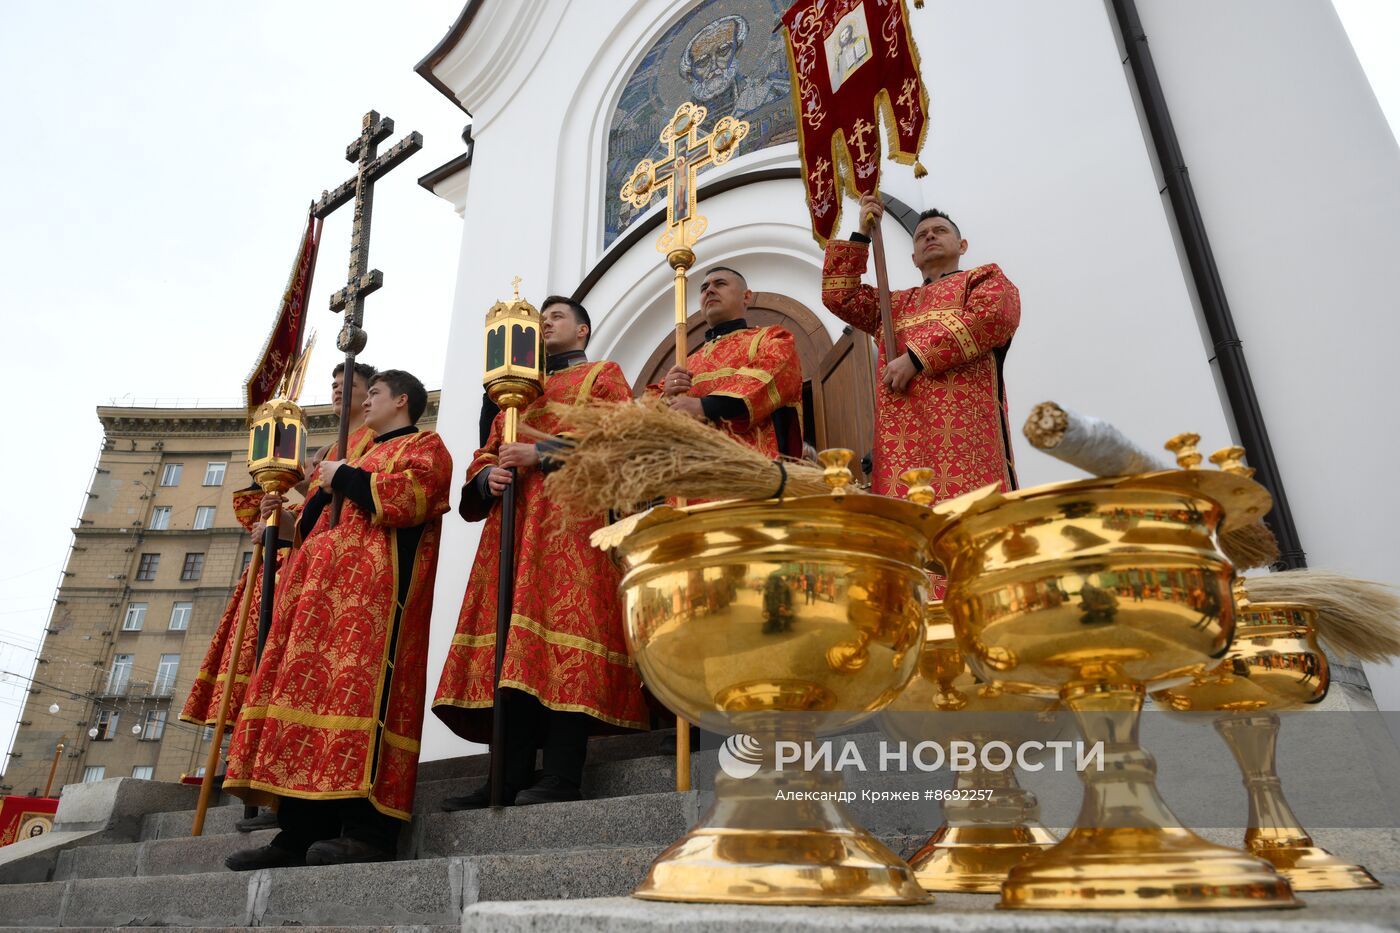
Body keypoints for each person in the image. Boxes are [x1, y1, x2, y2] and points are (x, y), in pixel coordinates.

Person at [223, 370, 452, 869]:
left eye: (374, 393)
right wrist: (280, 522)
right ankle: (298, 834)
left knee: (364, 703)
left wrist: (341, 476)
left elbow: (412, 500)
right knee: (307, 702)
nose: (365, 401)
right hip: (321, 605)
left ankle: (369, 832)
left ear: (402, 400)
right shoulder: (354, 458)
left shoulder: (425, 444)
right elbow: (312, 530)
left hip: (375, 603)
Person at [434, 297, 649, 809]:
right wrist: (489, 476)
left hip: (570, 528)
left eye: (556, 316)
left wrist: (541, 453)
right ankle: (504, 776)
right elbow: (484, 453)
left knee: (563, 643)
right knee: (513, 649)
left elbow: (619, 441)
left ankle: (560, 775)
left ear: (582, 330)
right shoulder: (517, 396)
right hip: (511, 529)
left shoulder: (601, 374)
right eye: (541, 318)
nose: (545, 323)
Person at [181, 361, 376, 834]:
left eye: (346, 384)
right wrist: (277, 523)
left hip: (344, 585)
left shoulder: (372, 444)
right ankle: (268, 785)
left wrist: (311, 489)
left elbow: (352, 510)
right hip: (304, 577)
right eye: (331, 384)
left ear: (373, 396)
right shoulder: (329, 448)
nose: (336, 390)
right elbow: (311, 528)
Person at [822, 194, 1020, 501]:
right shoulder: (894, 305)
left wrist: (915, 358)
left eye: (940, 231)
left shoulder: (982, 279)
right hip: (902, 445)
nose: (929, 235)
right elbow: (839, 296)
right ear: (913, 258)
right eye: (920, 235)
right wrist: (862, 233)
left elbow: (991, 318)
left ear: (962, 245)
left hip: (965, 443)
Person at [656, 266, 804, 459]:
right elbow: (643, 413)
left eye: (720, 284)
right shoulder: (686, 362)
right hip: (688, 468)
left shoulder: (770, 338)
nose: (709, 290)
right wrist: (666, 395)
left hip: (749, 465)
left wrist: (704, 407)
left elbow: (769, 377)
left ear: (746, 296)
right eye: (703, 288)